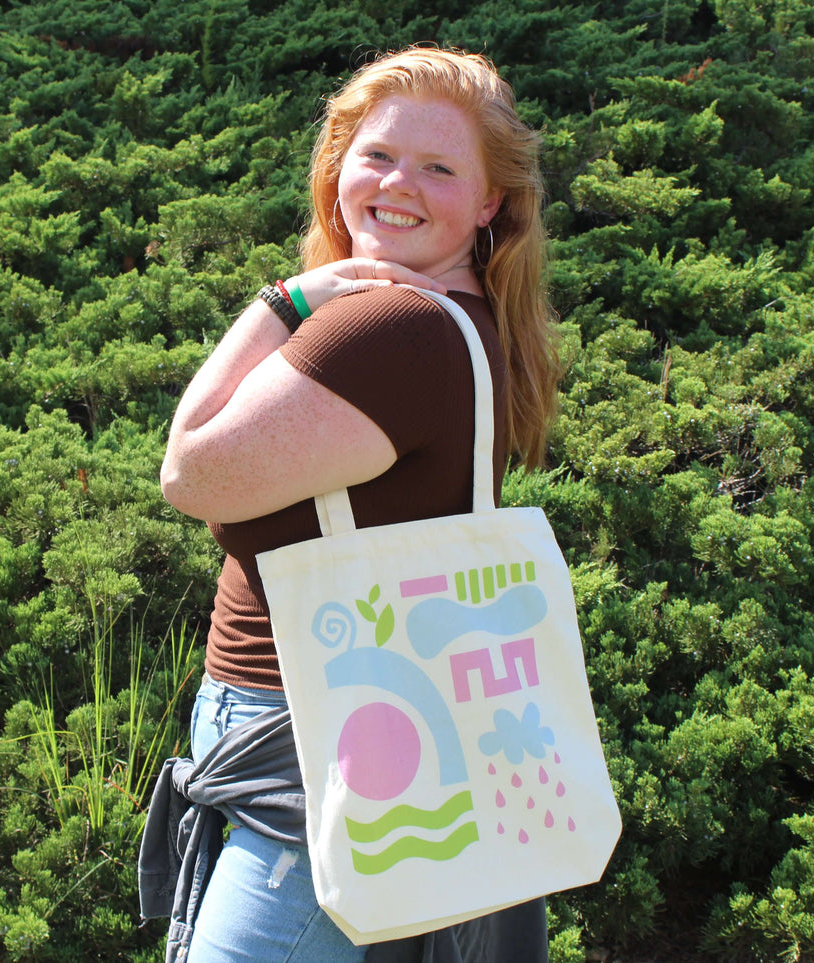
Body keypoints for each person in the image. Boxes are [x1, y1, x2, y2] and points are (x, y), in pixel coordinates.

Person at [146, 46, 558, 963]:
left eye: (440, 167)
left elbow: (188, 471)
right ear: (339, 168)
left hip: (314, 749)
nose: (396, 184)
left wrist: (280, 301)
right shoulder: (467, 320)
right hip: (353, 735)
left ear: (488, 203)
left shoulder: (391, 328)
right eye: (375, 156)